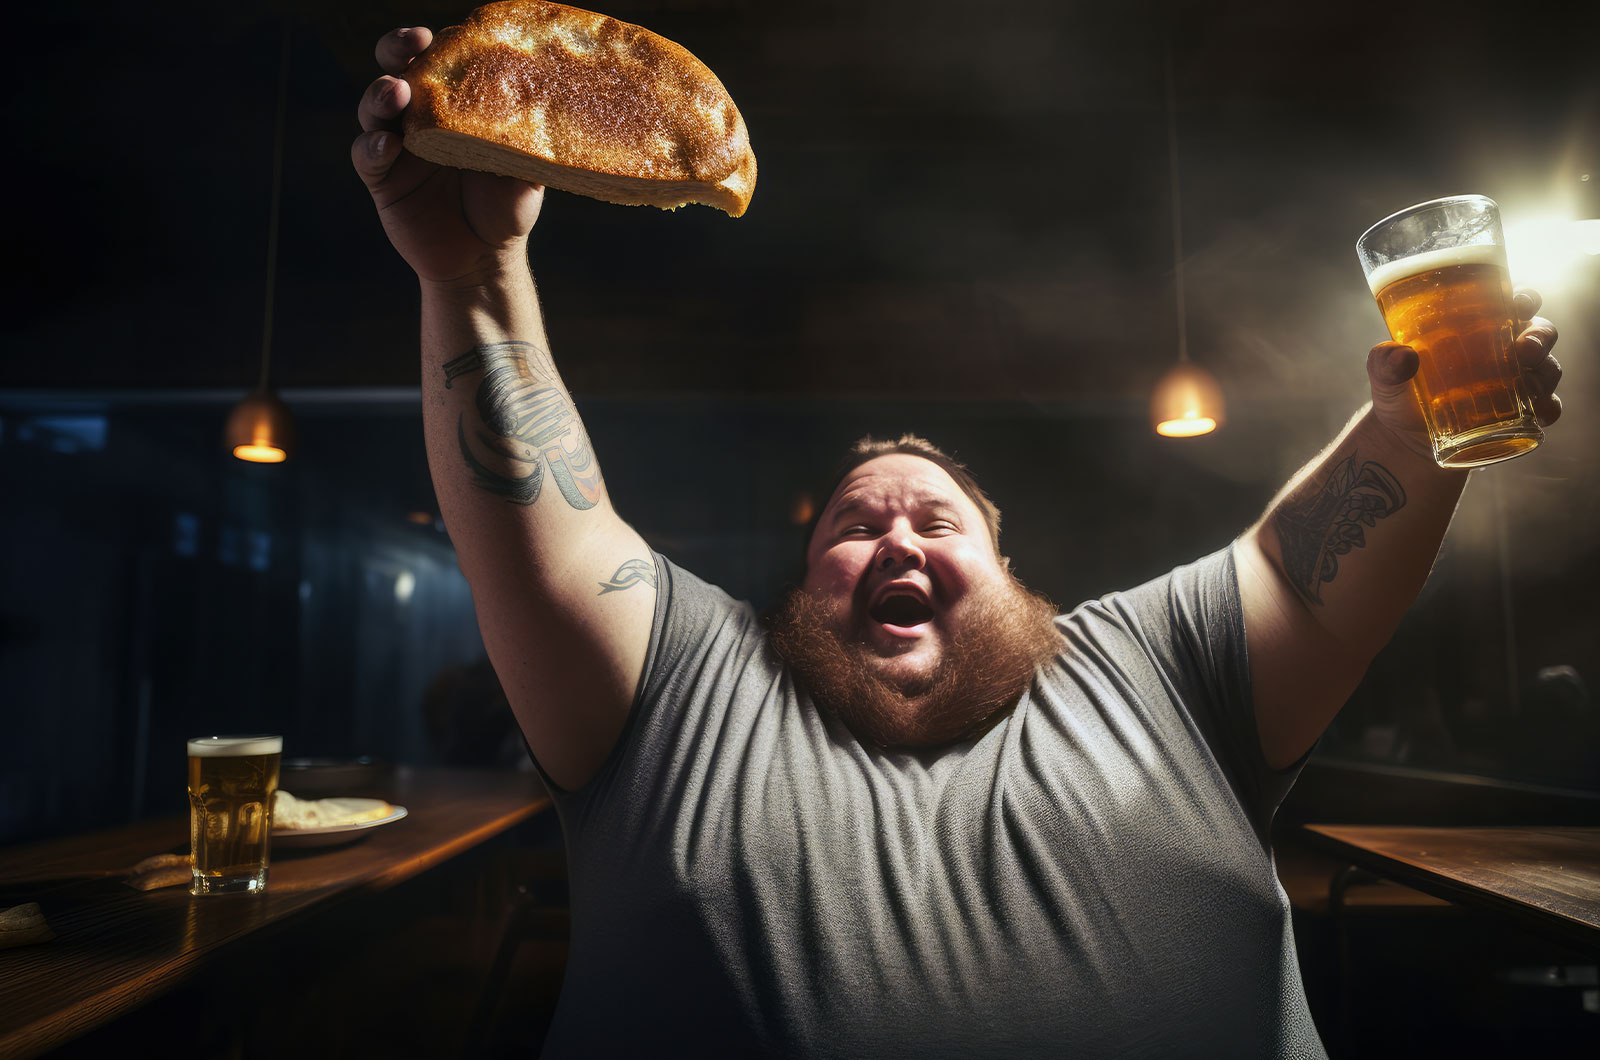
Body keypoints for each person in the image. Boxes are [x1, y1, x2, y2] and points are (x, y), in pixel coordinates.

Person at [352, 26, 1565, 1059]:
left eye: (936, 519)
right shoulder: (684, 681)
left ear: (1006, 564)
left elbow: (1308, 579)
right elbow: (542, 522)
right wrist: (471, 268)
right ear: (801, 572)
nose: (895, 539)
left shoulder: (1151, 661)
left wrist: (1410, 432)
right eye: (855, 524)